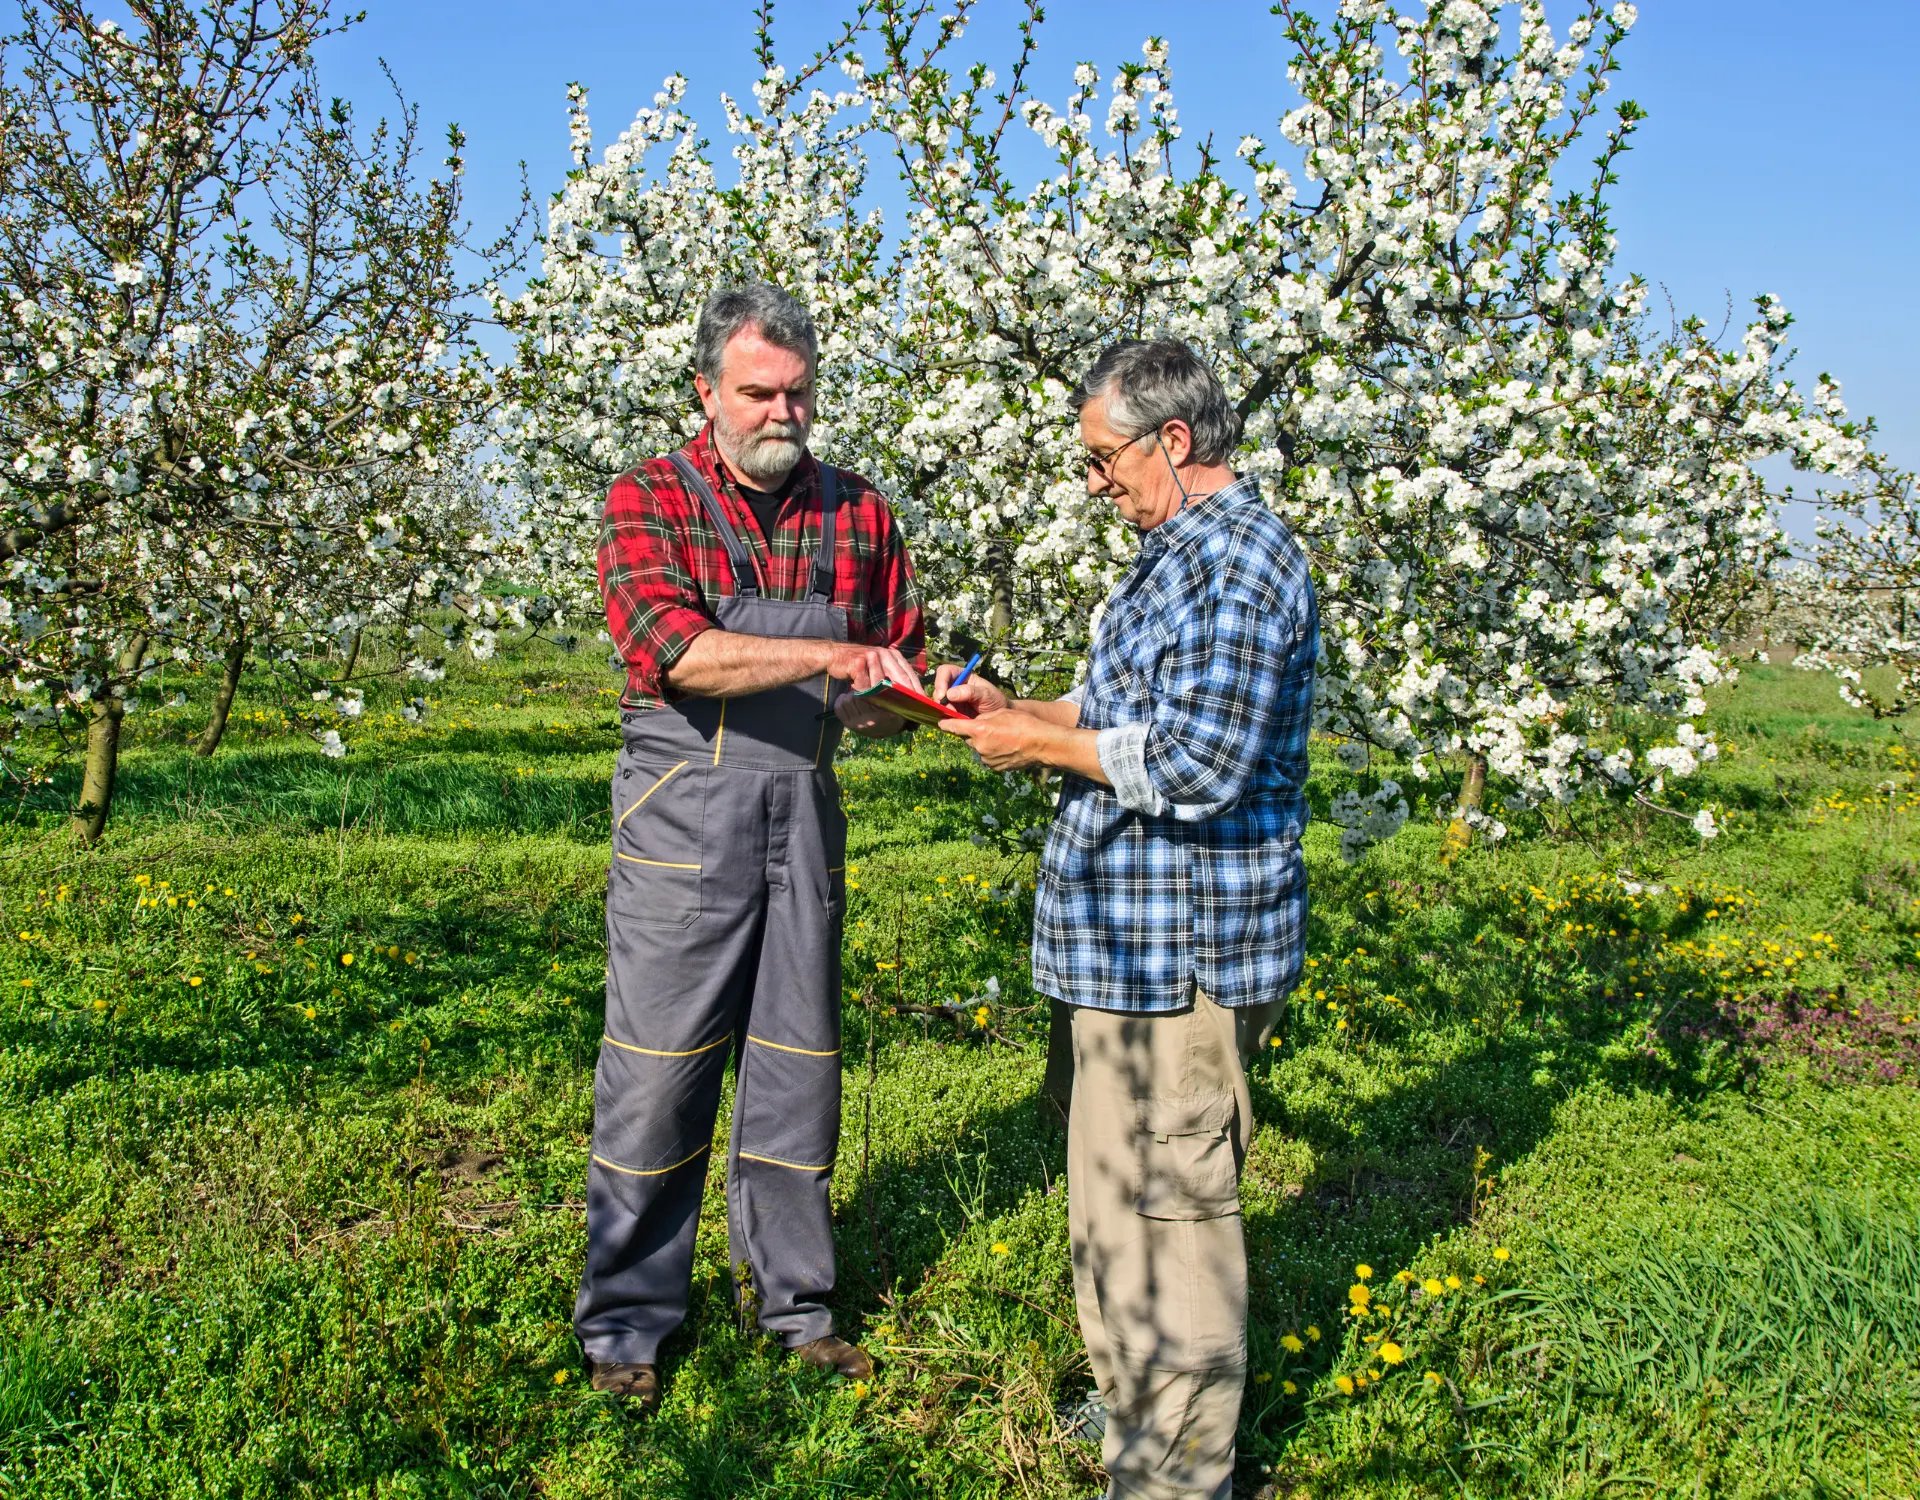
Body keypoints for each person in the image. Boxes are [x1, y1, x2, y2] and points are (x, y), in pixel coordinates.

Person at [937, 339, 1317, 1500]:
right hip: (1121, 949)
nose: (1096, 483)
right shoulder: (1169, 560)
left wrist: (1040, 744)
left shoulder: (1242, 564)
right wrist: (1020, 710)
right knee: (1113, 1209)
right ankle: (1135, 1427)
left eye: (1106, 460)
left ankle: (1182, 1479)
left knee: (1175, 1215)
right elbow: (1114, 713)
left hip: (1182, 957)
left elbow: (1201, 763)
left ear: (1175, 441)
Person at [578, 283, 926, 1409]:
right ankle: (628, 1320)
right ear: (707, 393)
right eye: (757, 392)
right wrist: (832, 660)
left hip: (803, 821)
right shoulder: (649, 501)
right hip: (685, 825)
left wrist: (931, 699)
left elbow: (879, 682)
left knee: (796, 1069)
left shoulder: (860, 515)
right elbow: (676, 653)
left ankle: (797, 1306)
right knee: (660, 1073)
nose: (781, 412)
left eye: (798, 392)